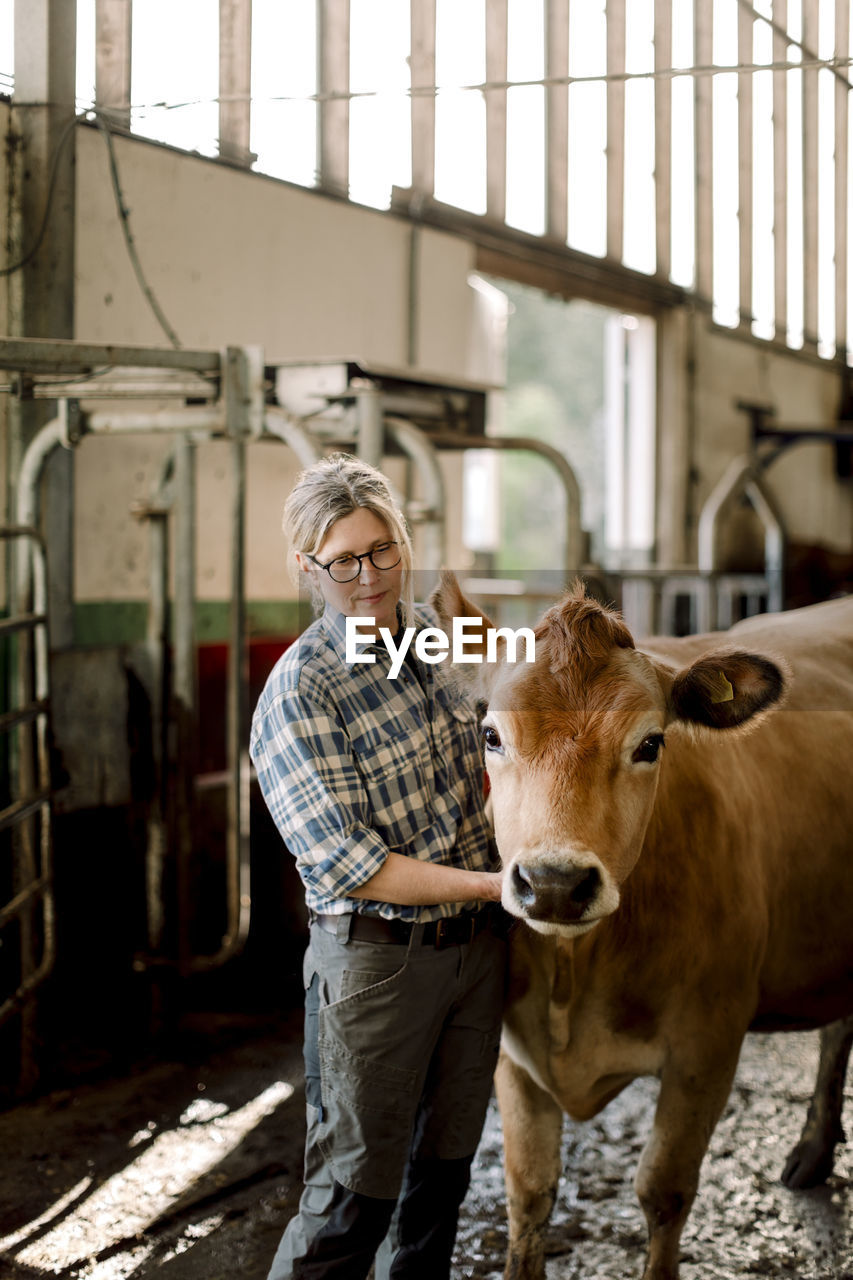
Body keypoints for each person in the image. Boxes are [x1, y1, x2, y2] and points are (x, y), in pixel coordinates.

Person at [250, 453, 506, 1280]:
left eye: (384, 549)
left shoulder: (440, 638)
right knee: (349, 1203)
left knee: (441, 1188)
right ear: (307, 567)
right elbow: (355, 867)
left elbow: (518, 735)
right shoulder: (300, 694)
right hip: (376, 966)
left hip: (475, 956)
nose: (370, 576)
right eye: (345, 560)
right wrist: (499, 888)